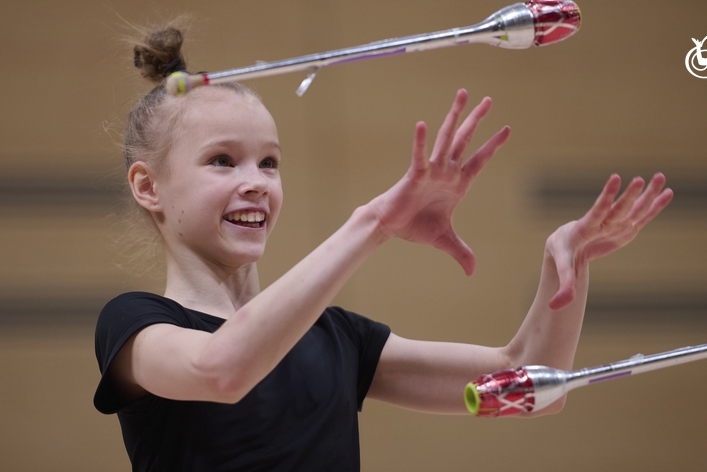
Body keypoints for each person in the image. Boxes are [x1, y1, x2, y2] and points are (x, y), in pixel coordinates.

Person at [94, 24, 673, 472]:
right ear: (149, 187)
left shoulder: (337, 338)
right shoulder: (135, 325)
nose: (257, 181)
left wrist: (564, 263)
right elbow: (222, 370)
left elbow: (528, 383)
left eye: (269, 162)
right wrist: (373, 221)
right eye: (222, 161)